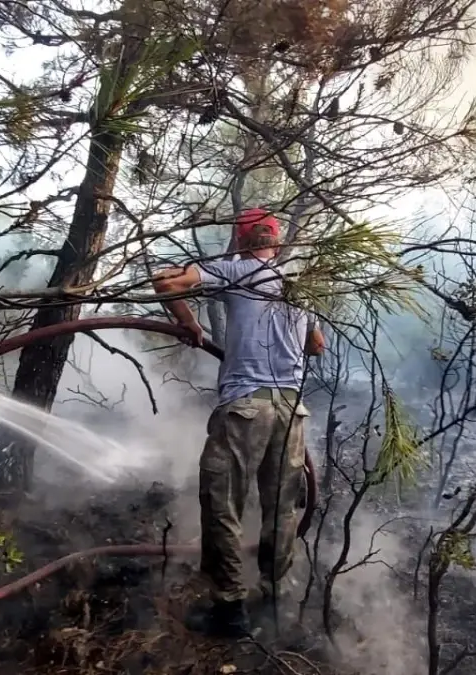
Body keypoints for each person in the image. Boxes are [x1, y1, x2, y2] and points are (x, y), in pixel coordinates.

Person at [152, 207, 325, 637]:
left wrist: (190, 323)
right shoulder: (296, 283)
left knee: (222, 503)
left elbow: (165, 281)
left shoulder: (235, 269)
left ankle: (230, 609)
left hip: (245, 406)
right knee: (281, 509)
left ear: (239, 241)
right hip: (291, 412)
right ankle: (274, 600)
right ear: (277, 242)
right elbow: (317, 346)